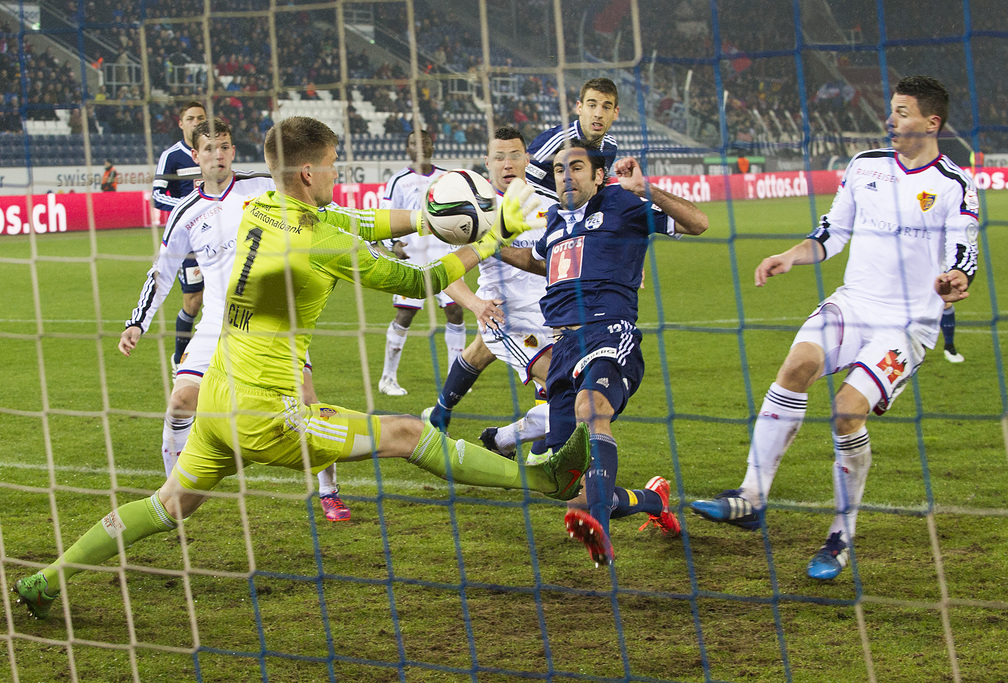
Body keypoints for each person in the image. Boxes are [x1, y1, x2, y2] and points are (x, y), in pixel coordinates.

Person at [14, 116, 591, 619]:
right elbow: (420, 280)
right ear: (310, 174)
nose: (337, 175)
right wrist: (493, 237)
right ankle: (543, 480)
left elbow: (358, 222)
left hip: (218, 398)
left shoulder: (261, 207)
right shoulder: (319, 241)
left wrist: (423, 220)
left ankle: (46, 579)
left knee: (165, 504)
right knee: (409, 433)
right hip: (271, 416)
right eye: (333, 165)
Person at [690, 76, 979, 581]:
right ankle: (751, 496)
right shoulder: (864, 166)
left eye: (904, 112)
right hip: (852, 304)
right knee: (796, 365)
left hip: (907, 325)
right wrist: (790, 255)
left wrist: (957, 278)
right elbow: (832, 233)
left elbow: (963, 253)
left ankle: (840, 536)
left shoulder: (955, 185)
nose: (892, 119)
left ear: (932, 122)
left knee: (847, 411)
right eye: (891, 110)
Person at [121, 118, 348, 522]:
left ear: (233, 151)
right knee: (180, 402)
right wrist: (137, 321)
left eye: (225, 147)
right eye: (209, 149)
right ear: (195, 156)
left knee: (307, 403)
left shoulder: (260, 186)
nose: (218, 155)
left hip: (272, 318)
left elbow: (318, 209)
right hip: (216, 323)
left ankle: (329, 489)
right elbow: (162, 272)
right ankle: (172, 491)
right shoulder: (185, 213)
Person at [501, 139, 710, 566]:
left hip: (609, 329)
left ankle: (602, 529)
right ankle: (652, 500)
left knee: (590, 408)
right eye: (559, 169)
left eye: (576, 167)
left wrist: (645, 189)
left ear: (599, 175)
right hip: (561, 345)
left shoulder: (622, 205)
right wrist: (480, 244)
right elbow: (540, 260)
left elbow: (698, 223)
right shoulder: (557, 220)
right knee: (571, 493)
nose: (566, 176)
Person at [423, 126, 555, 456]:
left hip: (552, 314)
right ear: (487, 163)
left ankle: (440, 414)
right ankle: (524, 449)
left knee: (479, 353)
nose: (507, 164)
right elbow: (448, 274)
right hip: (505, 318)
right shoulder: (475, 210)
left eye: (514, 156)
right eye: (499, 157)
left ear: (527, 159)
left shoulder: (548, 205)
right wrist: (477, 305)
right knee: (562, 384)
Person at [377, 131, 466, 396]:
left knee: (456, 312)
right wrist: (393, 243)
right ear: (407, 149)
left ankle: (455, 378)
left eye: (424, 141)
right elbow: (386, 216)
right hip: (413, 256)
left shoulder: (448, 178)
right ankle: (387, 378)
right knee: (405, 314)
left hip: (444, 254)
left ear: (433, 145)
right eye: (413, 142)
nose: (420, 147)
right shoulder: (398, 181)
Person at [152, 100, 208, 379]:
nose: (196, 122)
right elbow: (157, 195)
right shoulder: (172, 156)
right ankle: (179, 358)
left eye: (201, 117)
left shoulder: (213, 152)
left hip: (216, 237)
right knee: (193, 302)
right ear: (181, 123)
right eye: (191, 118)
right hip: (186, 241)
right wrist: (186, 206)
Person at [525, 78, 619, 200]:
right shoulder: (555, 139)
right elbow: (525, 181)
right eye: (592, 105)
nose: (598, 114)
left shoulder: (610, 147)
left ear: (615, 113)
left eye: (606, 107)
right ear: (579, 108)